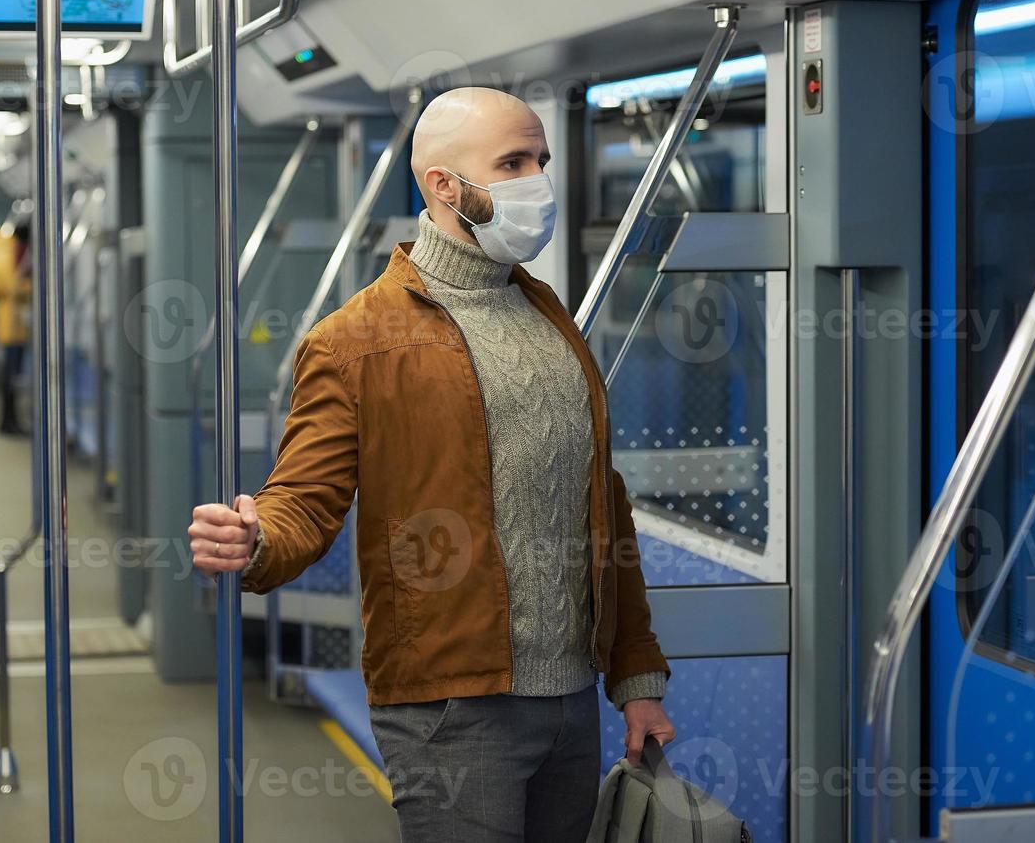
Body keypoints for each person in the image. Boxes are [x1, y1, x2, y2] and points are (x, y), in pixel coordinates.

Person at [189, 88, 675, 842]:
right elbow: (304, 501)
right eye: (512, 163)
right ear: (444, 186)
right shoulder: (354, 341)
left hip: (574, 699)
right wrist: (255, 540)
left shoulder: (550, 319)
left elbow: (602, 505)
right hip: (451, 705)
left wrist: (636, 678)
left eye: (540, 160)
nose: (537, 182)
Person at [0, 223, 31, 435]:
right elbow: (11, 287)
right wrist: (31, 288)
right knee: (10, 376)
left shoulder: (5, 251)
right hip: (10, 324)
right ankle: (7, 422)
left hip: (13, 323)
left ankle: (11, 420)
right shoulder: (6, 255)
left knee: (12, 375)